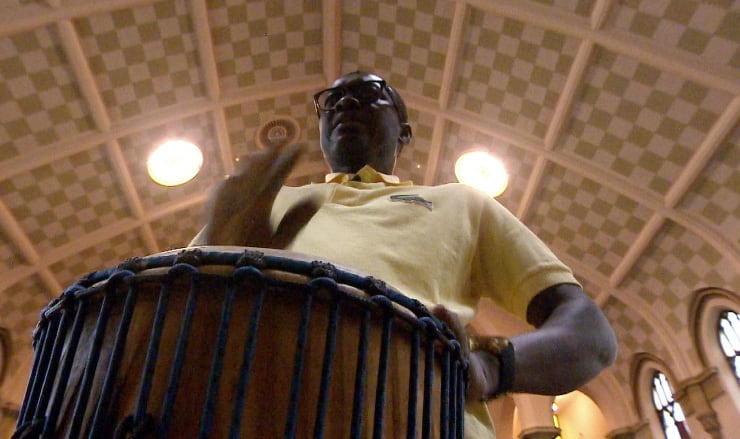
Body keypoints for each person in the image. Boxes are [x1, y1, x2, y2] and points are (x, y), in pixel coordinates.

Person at [190, 71, 617, 437]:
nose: (346, 104)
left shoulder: (461, 203)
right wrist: (212, 264)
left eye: (371, 94)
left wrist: (491, 367)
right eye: (332, 100)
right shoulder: (267, 203)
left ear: (405, 132)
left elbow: (591, 335)